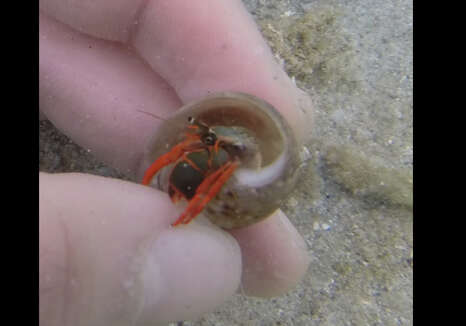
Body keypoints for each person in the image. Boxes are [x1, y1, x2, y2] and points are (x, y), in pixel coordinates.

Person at [39, 0, 313, 325]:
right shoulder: (208, 144)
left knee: (209, 163)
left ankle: (183, 214)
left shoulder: (231, 165)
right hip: (224, 157)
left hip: (225, 175)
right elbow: (189, 145)